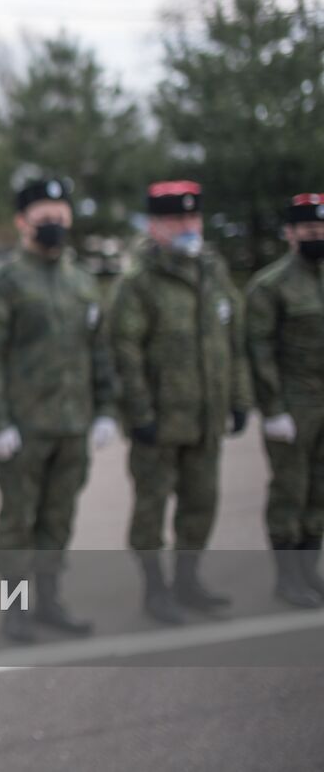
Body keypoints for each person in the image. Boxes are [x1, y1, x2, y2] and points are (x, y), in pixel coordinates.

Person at [0, 178, 117, 642]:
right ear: (21, 222)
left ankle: (50, 600)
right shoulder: (6, 282)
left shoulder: (82, 280)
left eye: (61, 214)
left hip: (73, 423)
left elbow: (99, 348)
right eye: (43, 216)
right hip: (24, 427)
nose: (54, 224)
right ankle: (16, 610)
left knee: (58, 517)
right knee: (19, 520)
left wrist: (105, 409)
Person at [109, 180, 252, 624]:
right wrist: (140, 415)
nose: (188, 226)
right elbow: (124, 353)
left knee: (201, 503)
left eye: (193, 218)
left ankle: (189, 582)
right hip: (159, 421)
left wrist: (238, 399)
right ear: (155, 226)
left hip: (205, 419)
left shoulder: (213, 271)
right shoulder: (139, 281)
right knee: (151, 511)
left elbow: (233, 341)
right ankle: (156, 589)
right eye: (176, 219)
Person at [245, 192, 324, 608]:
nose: (317, 237)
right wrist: (272, 409)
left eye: (322, 230)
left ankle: (310, 569)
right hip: (293, 407)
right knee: (290, 492)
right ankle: (287, 577)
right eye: (310, 230)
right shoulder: (270, 285)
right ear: (291, 234)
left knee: (319, 492)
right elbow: (258, 351)